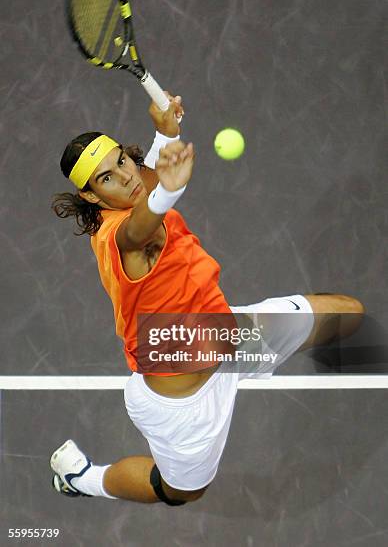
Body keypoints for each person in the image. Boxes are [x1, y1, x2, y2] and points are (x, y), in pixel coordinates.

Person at [50, 93, 364, 506]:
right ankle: (82, 477)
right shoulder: (118, 237)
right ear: (92, 196)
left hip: (227, 338)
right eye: (105, 178)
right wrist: (167, 193)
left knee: (348, 314)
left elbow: (145, 179)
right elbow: (139, 230)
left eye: (121, 162)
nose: (124, 177)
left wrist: (166, 132)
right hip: (184, 401)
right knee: (180, 491)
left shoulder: (131, 185)